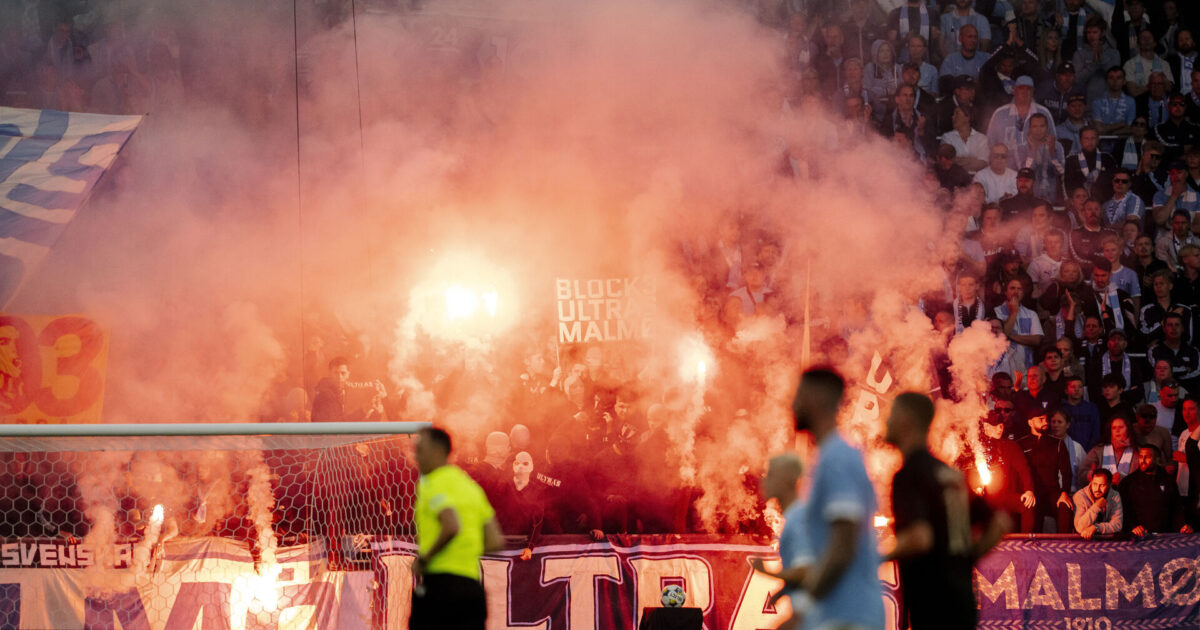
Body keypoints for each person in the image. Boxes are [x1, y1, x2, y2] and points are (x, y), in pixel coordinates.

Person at [883, 392, 1007, 630]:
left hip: (932, 603)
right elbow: (1000, 522)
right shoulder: (948, 473)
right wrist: (966, 560)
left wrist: (871, 558)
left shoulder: (909, 474)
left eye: (891, 415)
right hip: (962, 600)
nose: (885, 423)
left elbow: (919, 537)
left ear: (906, 420)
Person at [790, 367, 884, 630]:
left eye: (799, 395)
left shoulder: (837, 458)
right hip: (840, 614)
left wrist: (803, 608)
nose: (793, 404)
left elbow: (843, 545)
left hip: (848, 616)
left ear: (817, 399)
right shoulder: (829, 457)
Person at [411, 427, 505, 630]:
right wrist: (465, 551)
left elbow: (451, 525)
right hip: (472, 590)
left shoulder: (432, 482)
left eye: (420, 450)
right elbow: (495, 541)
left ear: (437, 452)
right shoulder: (471, 488)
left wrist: (425, 558)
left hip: (440, 587)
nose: (415, 456)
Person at [750, 453, 809, 629]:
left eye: (771, 476)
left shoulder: (798, 518)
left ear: (787, 480)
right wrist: (783, 592)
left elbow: (806, 572)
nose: (764, 482)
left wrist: (767, 573)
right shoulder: (794, 516)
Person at [1017, 412, 1075, 533]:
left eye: (1046, 419)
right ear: (1030, 422)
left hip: (1052, 493)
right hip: (1031, 492)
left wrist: (1064, 492)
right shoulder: (1021, 444)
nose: (1046, 423)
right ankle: (1026, 549)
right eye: (1041, 419)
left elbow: (1067, 472)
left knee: (1065, 507)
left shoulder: (1057, 443)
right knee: (1029, 512)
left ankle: (1065, 548)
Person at [1119, 445, 1192, 537]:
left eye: (1147, 457)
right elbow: (1123, 511)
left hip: (1164, 537)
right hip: (1138, 537)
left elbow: (1176, 508)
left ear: (1157, 459)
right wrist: (1132, 527)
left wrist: (1182, 526)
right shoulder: (1128, 482)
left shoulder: (1168, 480)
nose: (1143, 460)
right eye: (1141, 457)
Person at [1081, 413, 1138, 487]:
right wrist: (1090, 475)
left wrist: (1123, 479)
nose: (1117, 430)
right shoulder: (1098, 450)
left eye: (1121, 427)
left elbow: (1139, 479)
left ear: (1128, 429)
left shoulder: (1137, 451)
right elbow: (1081, 474)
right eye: (1114, 428)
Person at [1073, 468, 1124, 539]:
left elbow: (1117, 525)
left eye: (1102, 485)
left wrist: (1096, 527)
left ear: (1109, 485)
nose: (1097, 489)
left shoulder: (1114, 495)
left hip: (1107, 541)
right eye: (1095, 484)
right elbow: (1079, 528)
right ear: (1091, 481)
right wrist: (1096, 507)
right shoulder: (1080, 496)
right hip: (1083, 540)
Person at [1063, 375, 1101, 451]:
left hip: (1088, 452)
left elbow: (1096, 432)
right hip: (1066, 451)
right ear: (1066, 390)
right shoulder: (1061, 409)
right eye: (1073, 387)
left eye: (1080, 387)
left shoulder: (1091, 408)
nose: (1077, 389)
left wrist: (1089, 451)